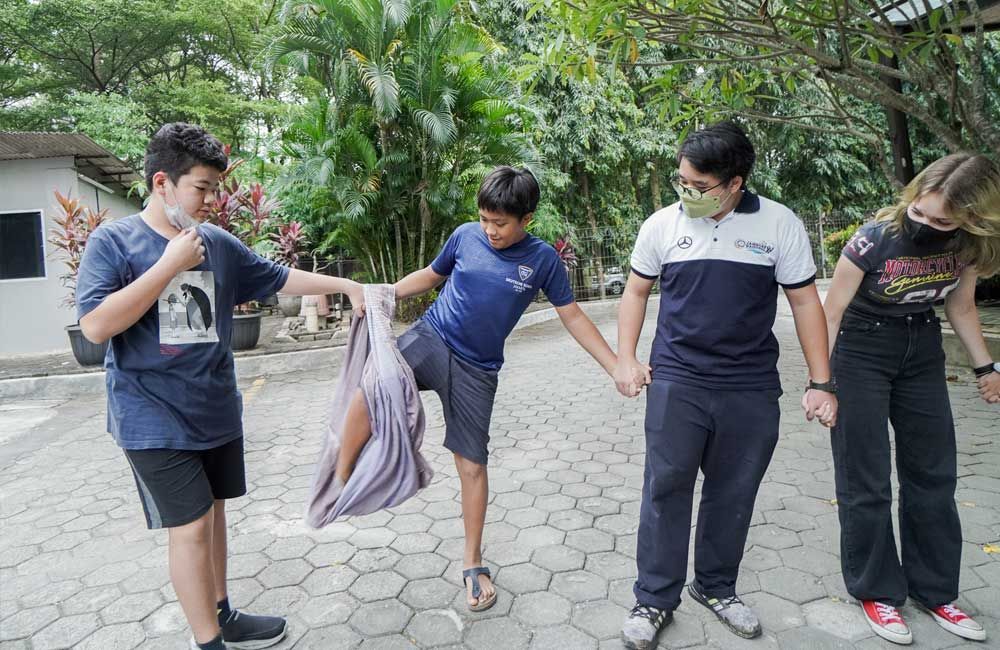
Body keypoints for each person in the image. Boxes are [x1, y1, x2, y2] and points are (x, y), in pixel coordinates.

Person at [75, 123, 366, 650]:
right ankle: (207, 642)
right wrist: (168, 266)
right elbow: (95, 327)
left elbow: (277, 277)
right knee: (188, 526)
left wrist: (346, 285)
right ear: (162, 184)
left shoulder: (218, 243)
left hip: (215, 407)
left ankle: (222, 613)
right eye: (202, 188)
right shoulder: (114, 242)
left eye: (216, 188)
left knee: (214, 515)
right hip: (151, 416)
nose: (213, 200)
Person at [329, 165, 622, 611]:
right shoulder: (465, 236)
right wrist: (382, 295)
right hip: (431, 338)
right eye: (484, 219)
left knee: (471, 466)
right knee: (372, 388)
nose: (489, 230)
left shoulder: (543, 260)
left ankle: (472, 562)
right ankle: (343, 478)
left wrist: (616, 365)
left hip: (477, 371)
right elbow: (430, 275)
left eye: (500, 223)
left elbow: (573, 316)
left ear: (527, 218)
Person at [616, 121, 838, 649]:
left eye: (699, 186)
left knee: (733, 489)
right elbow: (636, 292)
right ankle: (653, 597)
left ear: (735, 183)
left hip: (749, 382)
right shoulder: (662, 226)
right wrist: (626, 358)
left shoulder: (779, 225)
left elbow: (806, 302)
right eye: (681, 182)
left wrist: (821, 380)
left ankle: (716, 587)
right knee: (666, 487)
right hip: (677, 377)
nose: (686, 193)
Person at [823, 153, 1000, 645]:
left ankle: (935, 590)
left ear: (973, 217)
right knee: (867, 476)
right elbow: (830, 312)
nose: (926, 224)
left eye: (942, 220)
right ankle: (877, 591)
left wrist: (987, 367)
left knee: (933, 474)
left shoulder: (968, 245)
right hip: (860, 347)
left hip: (921, 347)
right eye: (920, 212)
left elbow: (960, 307)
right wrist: (821, 383)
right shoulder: (875, 238)